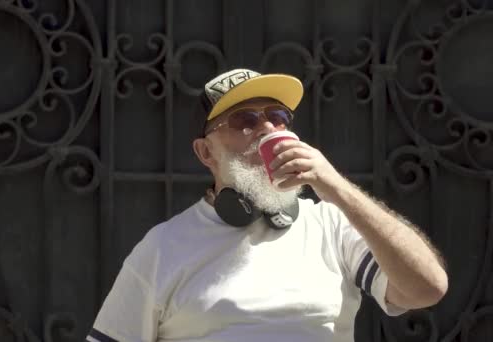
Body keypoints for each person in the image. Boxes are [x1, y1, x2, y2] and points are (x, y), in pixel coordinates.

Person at [86, 69, 448, 342]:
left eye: (278, 116)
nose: (266, 128)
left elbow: (426, 288)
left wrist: (336, 187)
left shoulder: (331, 225)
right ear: (205, 152)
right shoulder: (162, 247)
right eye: (244, 119)